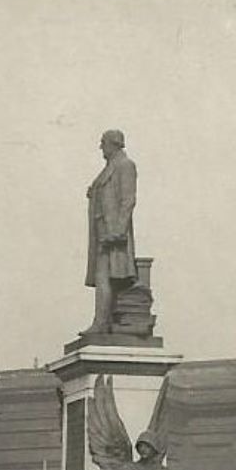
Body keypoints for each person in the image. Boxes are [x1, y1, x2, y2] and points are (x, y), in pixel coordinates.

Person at [85, 129, 138, 333]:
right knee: (103, 277)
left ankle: (102, 323)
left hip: (113, 234)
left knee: (106, 276)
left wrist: (118, 231)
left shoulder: (125, 166)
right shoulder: (109, 169)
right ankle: (103, 321)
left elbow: (128, 200)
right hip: (101, 231)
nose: (101, 147)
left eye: (103, 143)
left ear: (113, 144)